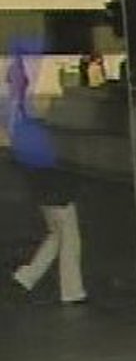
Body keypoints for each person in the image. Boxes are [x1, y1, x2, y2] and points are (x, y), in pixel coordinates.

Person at [6, 51, 86, 304]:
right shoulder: (26, 113)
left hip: (39, 181)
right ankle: (72, 290)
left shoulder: (14, 113)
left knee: (56, 234)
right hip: (52, 181)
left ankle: (27, 277)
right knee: (69, 235)